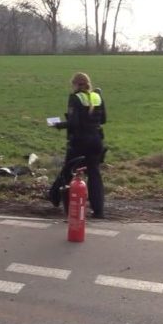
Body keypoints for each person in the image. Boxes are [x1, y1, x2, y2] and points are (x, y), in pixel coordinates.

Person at [50, 72, 106, 218]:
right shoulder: (97, 96)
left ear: (75, 84)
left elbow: (74, 123)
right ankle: (98, 210)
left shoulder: (75, 98)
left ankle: (54, 197)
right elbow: (104, 119)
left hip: (80, 141)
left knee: (68, 170)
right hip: (96, 141)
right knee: (94, 174)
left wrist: (58, 125)